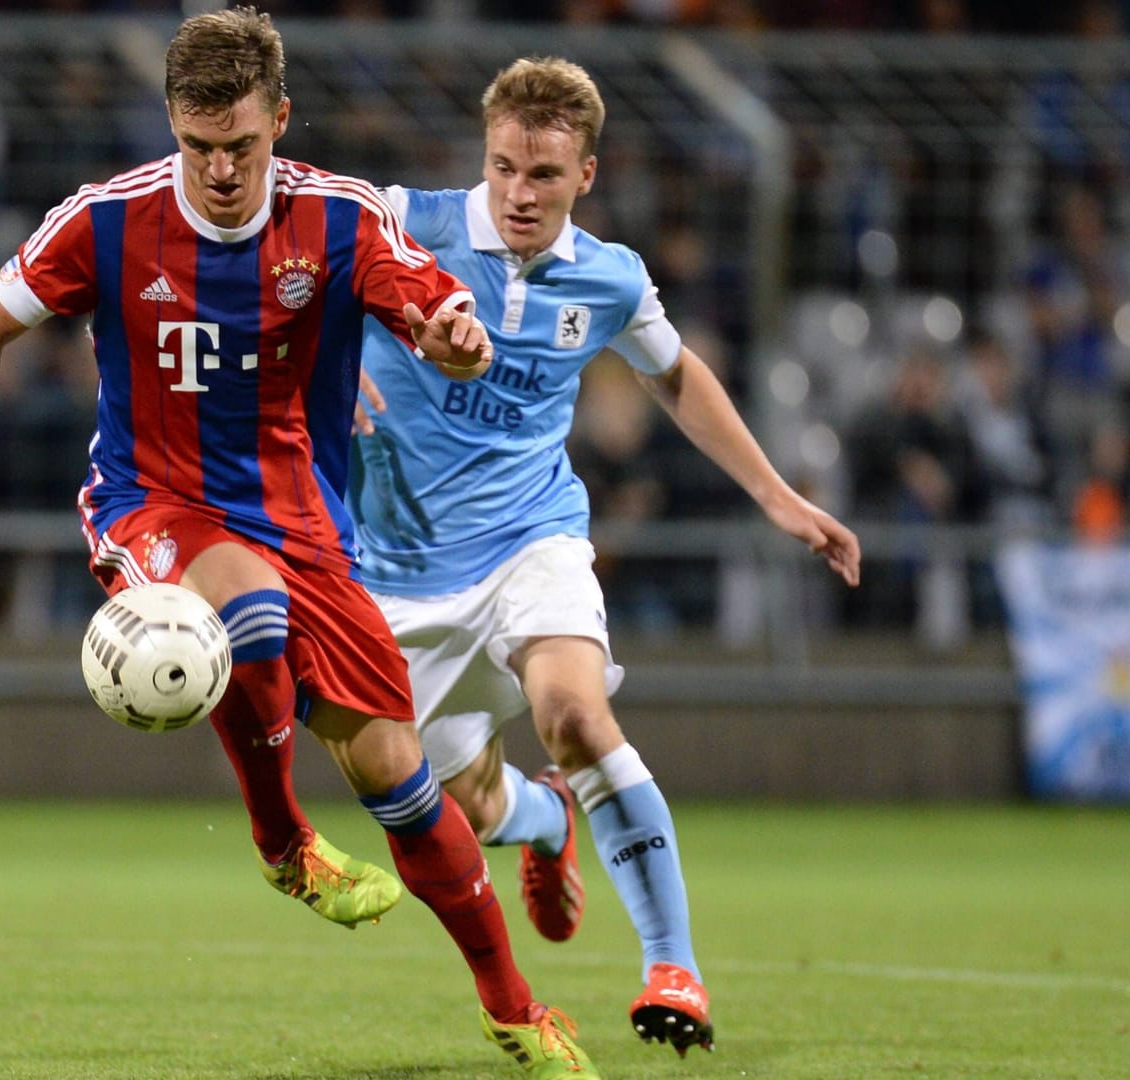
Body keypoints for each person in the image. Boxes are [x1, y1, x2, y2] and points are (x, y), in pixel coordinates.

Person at [0, 10, 599, 1077]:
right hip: (154, 504)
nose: (223, 169)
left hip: (305, 525)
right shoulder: (106, 221)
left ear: (281, 118)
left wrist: (457, 340)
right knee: (248, 613)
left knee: (401, 781)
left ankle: (512, 1005)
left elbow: (439, 318)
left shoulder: (341, 217)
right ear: (172, 128)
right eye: (200, 147)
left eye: (243, 144)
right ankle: (282, 843)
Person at [348, 57, 862, 1057]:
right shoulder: (403, 222)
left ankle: (675, 965)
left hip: (530, 540)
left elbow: (678, 378)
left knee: (576, 713)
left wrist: (779, 496)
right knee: (470, 804)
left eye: (542, 174)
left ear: (587, 172)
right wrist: (325, 377)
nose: (518, 193)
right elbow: (289, 269)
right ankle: (543, 821)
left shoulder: (611, 277)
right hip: (394, 579)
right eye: (502, 167)